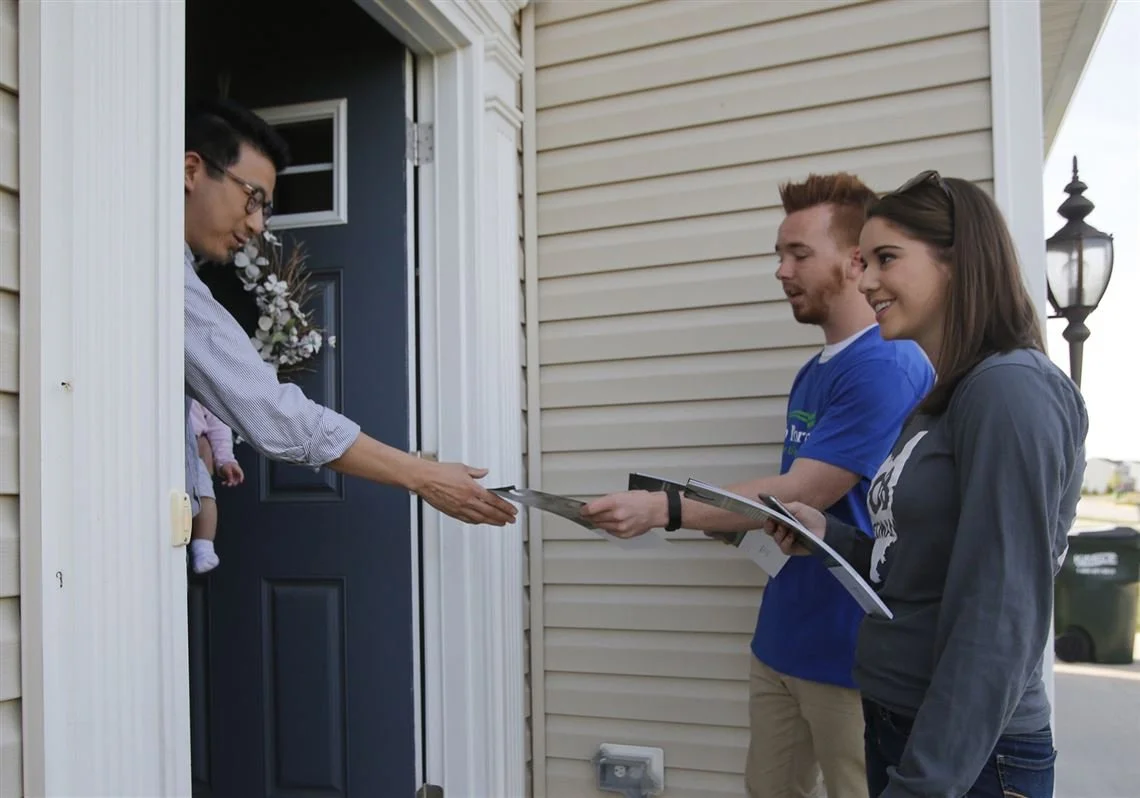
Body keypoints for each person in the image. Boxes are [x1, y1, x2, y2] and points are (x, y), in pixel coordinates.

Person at [581, 173, 934, 798]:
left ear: (856, 262)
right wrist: (731, 527)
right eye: (780, 253)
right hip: (783, 640)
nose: (781, 270)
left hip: (850, 655)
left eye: (799, 253)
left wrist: (664, 508)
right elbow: (788, 512)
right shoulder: (815, 369)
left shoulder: (886, 361)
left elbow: (808, 491)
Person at [764, 171, 1087, 797]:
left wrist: (925, 784)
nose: (865, 279)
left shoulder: (1009, 391)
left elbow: (1000, 614)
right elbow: (913, 564)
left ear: (960, 262)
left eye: (887, 258)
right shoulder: (943, 397)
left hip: (967, 755)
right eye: (864, 260)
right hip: (898, 718)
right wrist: (828, 534)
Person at [182, 98, 516, 527]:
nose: (258, 224)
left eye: (266, 209)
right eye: (253, 198)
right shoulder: (162, 279)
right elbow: (272, 411)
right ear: (192, 171)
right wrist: (424, 475)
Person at [187, 398, 245, 573]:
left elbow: (218, 423)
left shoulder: (198, 383)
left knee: (204, 496)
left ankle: (203, 545)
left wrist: (225, 459)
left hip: (191, 449)